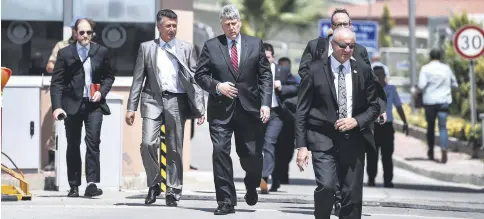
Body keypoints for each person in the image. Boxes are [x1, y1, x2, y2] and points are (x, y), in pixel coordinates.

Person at [194, 4, 272, 215]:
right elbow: (200, 75)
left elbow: (265, 75)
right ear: (222, 25)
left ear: (240, 22)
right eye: (227, 24)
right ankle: (226, 201)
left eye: (234, 23)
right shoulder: (211, 46)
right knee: (220, 152)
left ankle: (251, 183)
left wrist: (265, 103)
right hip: (221, 112)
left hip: (249, 110)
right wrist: (217, 86)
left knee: (252, 156)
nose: (231, 28)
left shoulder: (255, 45)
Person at [295, 27, 381, 219]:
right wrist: (301, 146)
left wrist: (356, 121)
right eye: (343, 45)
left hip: (354, 140)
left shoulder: (364, 71)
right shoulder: (314, 70)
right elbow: (302, 110)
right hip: (322, 138)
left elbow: (374, 107)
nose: (348, 49)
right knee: (326, 186)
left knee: (352, 195)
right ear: (333, 45)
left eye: (352, 46)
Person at [125, 9, 206, 206]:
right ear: (159, 26)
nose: (172, 29)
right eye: (168, 25)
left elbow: (195, 80)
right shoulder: (147, 48)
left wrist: (201, 107)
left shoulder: (186, 48)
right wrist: (131, 107)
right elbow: (138, 80)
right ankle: (154, 184)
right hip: (152, 99)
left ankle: (173, 190)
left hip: (177, 101)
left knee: (174, 148)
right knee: (147, 144)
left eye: (174, 25)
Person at [50, 18, 115, 198]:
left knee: (93, 142)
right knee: (73, 145)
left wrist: (101, 92)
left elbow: (109, 77)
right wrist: (57, 107)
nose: (85, 36)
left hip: (94, 105)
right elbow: (56, 83)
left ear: (92, 34)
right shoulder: (65, 53)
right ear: (75, 33)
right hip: (71, 105)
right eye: (82, 32)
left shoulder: (101, 51)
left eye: (88, 33)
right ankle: (74, 185)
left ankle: (92, 184)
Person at [259, 43, 298, 194]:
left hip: (277, 114)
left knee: (270, 144)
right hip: (259, 113)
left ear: (272, 57)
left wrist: (281, 86)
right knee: (261, 147)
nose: (265, 60)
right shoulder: (254, 71)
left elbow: (296, 87)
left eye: (268, 57)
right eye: (262, 57)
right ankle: (272, 178)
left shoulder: (283, 71)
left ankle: (264, 177)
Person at [366, 66, 408, 188]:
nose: (378, 77)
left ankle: (388, 180)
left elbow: (398, 106)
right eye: (376, 75)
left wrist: (405, 122)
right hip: (373, 126)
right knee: (372, 154)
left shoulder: (391, 89)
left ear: (385, 76)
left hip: (387, 126)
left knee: (387, 155)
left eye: (380, 75)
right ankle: (371, 178)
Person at [417, 48, 458, 163]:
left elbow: (421, 85)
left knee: (430, 127)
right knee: (443, 127)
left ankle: (431, 152)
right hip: (444, 101)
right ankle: (444, 148)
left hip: (429, 102)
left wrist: (416, 92)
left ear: (430, 57)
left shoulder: (425, 69)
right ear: (440, 56)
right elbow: (454, 84)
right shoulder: (447, 68)